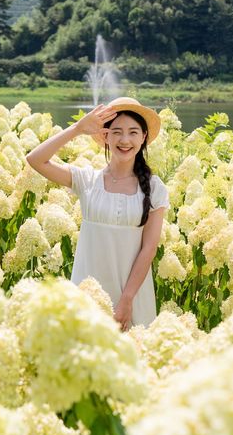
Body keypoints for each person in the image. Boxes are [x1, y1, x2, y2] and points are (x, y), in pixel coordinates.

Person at [25, 97, 169, 330]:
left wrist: (127, 299)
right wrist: (77, 129)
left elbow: (148, 249)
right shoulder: (87, 180)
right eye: (117, 132)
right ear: (105, 136)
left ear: (143, 138)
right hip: (87, 291)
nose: (124, 140)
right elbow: (35, 159)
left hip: (132, 296)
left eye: (133, 132)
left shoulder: (154, 188)